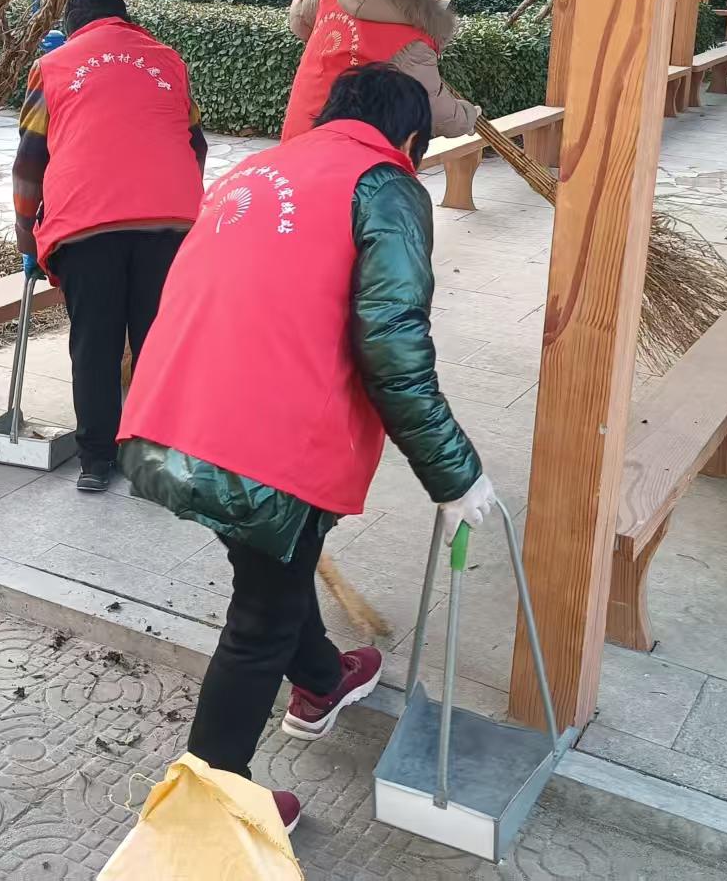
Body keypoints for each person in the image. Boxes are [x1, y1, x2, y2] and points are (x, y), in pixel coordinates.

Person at [117, 63, 498, 831]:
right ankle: (212, 804)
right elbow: (392, 344)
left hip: (167, 422)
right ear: (410, 139)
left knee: (274, 566)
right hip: (265, 449)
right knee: (260, 617)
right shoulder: (385, 186)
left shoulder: (258, 168)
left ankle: (323, 679)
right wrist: (455, 472)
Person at [12, 0, 207, 493]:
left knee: (94, 343)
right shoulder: (168, 62)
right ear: (126, 20)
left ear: (72, 29)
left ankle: (97, 461)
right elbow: (195, 146)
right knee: (156, 342)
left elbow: (30, 161)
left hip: (86, 224)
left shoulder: (52, 67)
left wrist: (27, 236)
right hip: (169, 223)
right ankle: (152, 460)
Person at [280, 0, 477, 144]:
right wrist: (466, 116)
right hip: (347, 145)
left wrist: (334, 44)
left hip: (299, 128)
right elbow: (435, 111)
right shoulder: (413, 41)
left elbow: (298, 16)